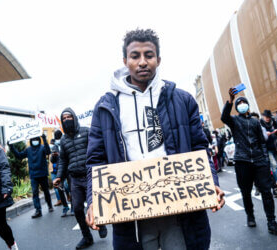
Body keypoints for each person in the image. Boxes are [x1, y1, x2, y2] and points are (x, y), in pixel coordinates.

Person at [85, 28, 225, 250]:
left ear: (158, 60)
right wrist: (93, 200)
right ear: (125, 60)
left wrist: (211, 183)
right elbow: (96, 160)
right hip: (132, 218)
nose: (142, 62)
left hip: (180, 212)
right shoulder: (106, 107)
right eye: (135, 56)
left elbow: (200, 147)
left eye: (148, 55)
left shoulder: (183, 100)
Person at [221, 88, 277, 235]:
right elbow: (224, 117)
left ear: (248, 105)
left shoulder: (255, 122)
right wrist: (230, 100)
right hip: (242, 161)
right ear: (237, 107)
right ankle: (250, 215)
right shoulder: (235, 121)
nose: (242, 104)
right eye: (239, 103)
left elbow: (262, 142)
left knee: (266, 192)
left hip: (259, 161)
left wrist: (264, 159)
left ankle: (271, 222)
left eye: (244, 102)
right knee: (246, 192)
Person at [53, 108, 107, 249]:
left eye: (68, 117)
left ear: (74, 117)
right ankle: (87, 237)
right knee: (77, 209)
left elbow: (97, 151)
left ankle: (101, 224)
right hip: (75, 179)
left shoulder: (86, 132)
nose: (66, 120)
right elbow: (63, 161)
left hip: (90, 176)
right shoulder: (63, 140)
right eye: (63, 118)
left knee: (95, 204)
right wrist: (59, 176)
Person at [8, 134, 53, 219]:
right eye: (33, 139)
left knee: (46, 191)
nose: (35, 141)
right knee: (35, 193)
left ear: (39, 140)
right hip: (34, 175)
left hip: (43, 174)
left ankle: (50, 205)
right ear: (31, 140)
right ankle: (38, 210)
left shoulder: (43, 147)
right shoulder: (28, 150)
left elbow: (48, 152)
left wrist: (44, 138)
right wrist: (11, 147)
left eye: (36, 139)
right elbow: (19, 156)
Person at [260, 110, 277, 194]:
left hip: (275, 147)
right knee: (274, 165)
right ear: (263, 116)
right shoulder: (260, 124)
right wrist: (264, 135)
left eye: (269, 117)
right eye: (266, 117)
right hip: (267, 148)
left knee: (275, 167)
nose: (268, 119)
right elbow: (259, 137)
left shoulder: (273, 122)